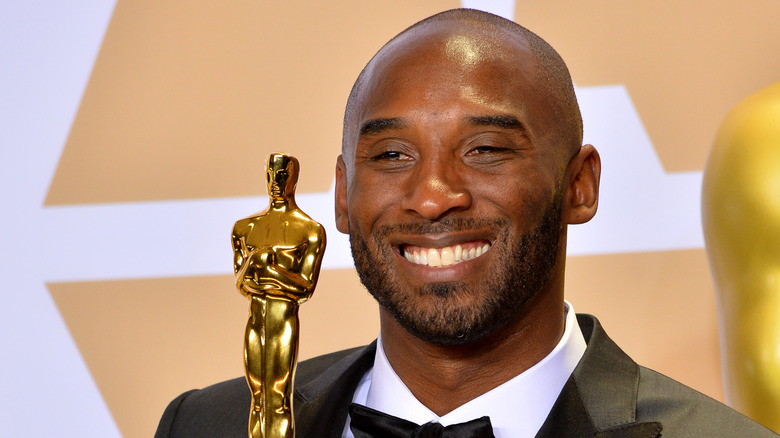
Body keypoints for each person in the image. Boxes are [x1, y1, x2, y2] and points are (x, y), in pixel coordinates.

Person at [155, 9, 779, 438]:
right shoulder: (208, 425)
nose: (432, 198)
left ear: (579, 186)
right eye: (392, 156)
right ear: (343, 197)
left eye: (485, 151)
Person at [231, 153, 326, 438]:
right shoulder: (245, 228)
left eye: (283, 174)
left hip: (283, 317)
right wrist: (255, 264)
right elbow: (242, 282)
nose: (276, 181)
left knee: (277, 395)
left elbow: (305, 287)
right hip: (256, 317)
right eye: (272, 174)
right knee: (258, 396)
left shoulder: (309, 231)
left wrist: (268, 270)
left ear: (293, 178)